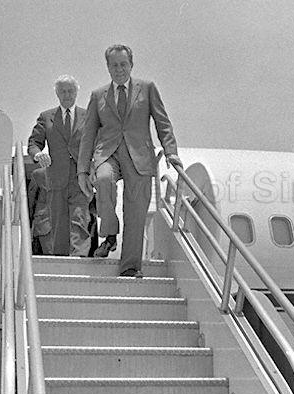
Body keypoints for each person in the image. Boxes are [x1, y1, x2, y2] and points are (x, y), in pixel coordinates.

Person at [77, 44, 182, 277]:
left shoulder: (147, 88)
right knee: (103, 180)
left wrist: (171, 151)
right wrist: (82, 170)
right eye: (114, 65)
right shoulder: (98, 95)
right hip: (108, 153)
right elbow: (88, 134)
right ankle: (110, 234)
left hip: (139, 156)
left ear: (131, 65)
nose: (119, 69)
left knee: (135, 213)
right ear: (108, 67)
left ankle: (130, 267)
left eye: (123, 64)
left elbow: (162, 122)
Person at [27, 75, 91, 256]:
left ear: (76, 93)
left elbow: (100, 142)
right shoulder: (46, 117)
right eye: (63, 91)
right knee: (58, 223)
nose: (67, 95)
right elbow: (34, 143)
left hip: (81, 177)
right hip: (56, 178)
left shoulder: (89, 116)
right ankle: (61, 260)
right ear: (57, 93)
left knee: (79, 218)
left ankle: (79, 257)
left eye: (70, 91)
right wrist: (38, 154)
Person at [26, 167, 54, 255]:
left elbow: (31, 200)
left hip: (44, 223)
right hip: (65, 225)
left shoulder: (39, 174)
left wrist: (29, 222)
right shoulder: (73, 172)